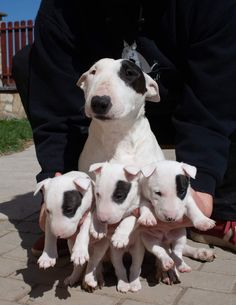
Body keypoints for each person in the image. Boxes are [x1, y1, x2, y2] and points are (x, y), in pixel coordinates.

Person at [12, 0, 236, 256]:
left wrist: (201, 185)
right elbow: (56, 108)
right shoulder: (61, 8)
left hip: (181, 103)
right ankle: (75, 207)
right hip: (99, 118)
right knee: (27, 61)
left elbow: (215, 99)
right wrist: (56, 178)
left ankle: (223, 209)